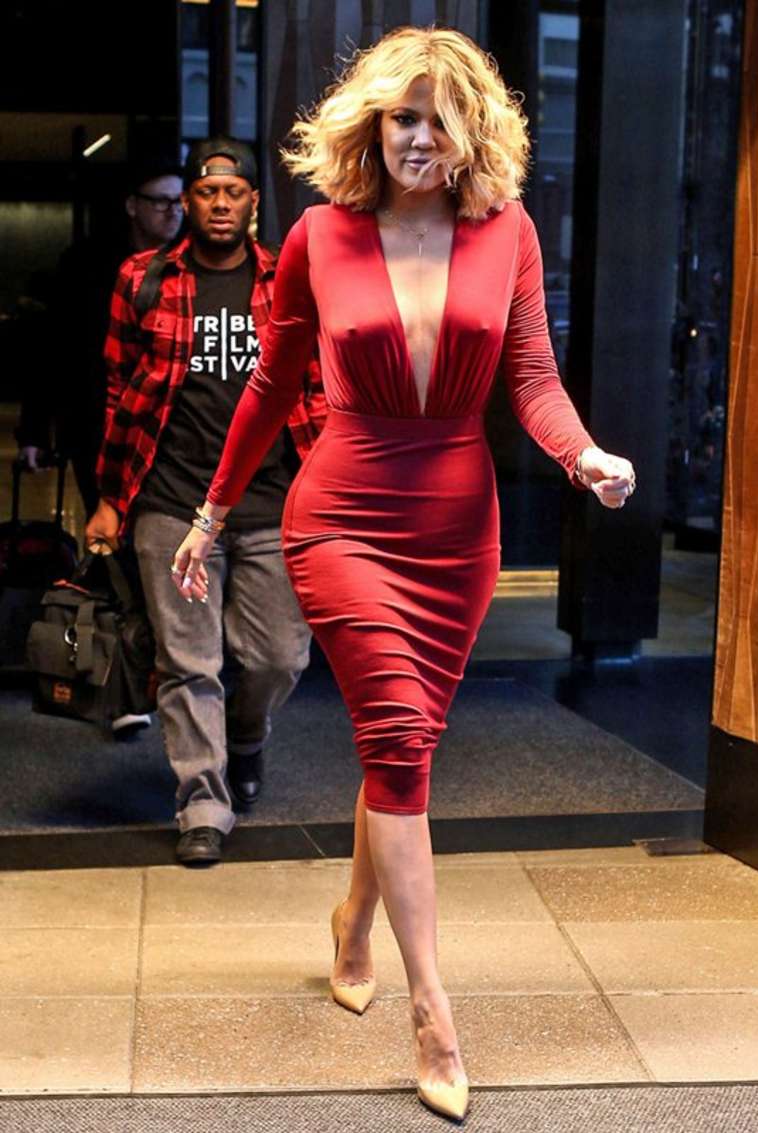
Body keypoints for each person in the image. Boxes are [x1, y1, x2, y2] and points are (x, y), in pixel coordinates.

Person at [171, 30, 635, 1121]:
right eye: (400, 117)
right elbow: (270, 385)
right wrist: (211, 512)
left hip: (455, 529)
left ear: (471, 130)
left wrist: (582, 455)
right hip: (342, 518)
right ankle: (433, 1010)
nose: (418, 138)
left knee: (404, 748)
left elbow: (532, 375)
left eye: (437, 118)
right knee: (393, 735)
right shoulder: (320, 236)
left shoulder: (506, 229)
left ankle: (353, 922)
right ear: (371, 126)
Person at [85, 136, 326, 865]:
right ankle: (202, 802)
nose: (220, 203)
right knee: (189, 660)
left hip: (271, 501)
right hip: (170, 499)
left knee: (278, 655)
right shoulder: (143, 278)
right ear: (187, 202)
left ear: (252, 202)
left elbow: (318, 387)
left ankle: (245, 740)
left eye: (234, 192)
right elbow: (117, 392)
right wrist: (109, 498)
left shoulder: (291, 275)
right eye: (206, 192)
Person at [17, 156, 185, 517]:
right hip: (96, 421)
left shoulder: (195, 263)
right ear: (133, 206)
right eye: (161, 201)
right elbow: (53, 346)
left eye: (179, 201)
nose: (173, 212)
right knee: (108, 528)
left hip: (174, 426)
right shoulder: (87, 265)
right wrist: (34, 431)